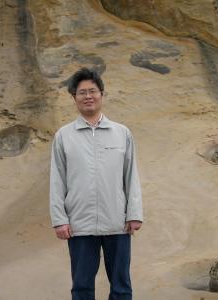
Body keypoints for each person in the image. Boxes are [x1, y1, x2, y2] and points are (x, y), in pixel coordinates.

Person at [49, 67, 143, 300]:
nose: (88, 96)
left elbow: (131, 176)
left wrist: (134, 214)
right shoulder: (64, 136)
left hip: (117, 223)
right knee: (81, 287)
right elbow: (57, 180)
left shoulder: (122, 133)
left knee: (121, 287)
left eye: (93, 91)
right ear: (74, 98)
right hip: (79, 224)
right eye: (82, 92)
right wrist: (60, 219)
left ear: (102, 94)